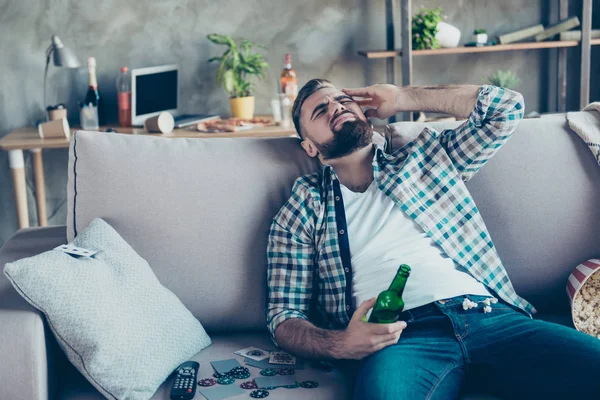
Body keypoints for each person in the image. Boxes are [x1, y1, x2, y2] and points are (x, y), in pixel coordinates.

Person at [265, 79, 600, 399]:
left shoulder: (427, 158)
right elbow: (284, 316)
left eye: (342, 99)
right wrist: (343, 344)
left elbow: (506, 108)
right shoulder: (304, 205)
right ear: (309, 146)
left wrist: (403, 98)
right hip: (400, 338)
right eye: (320, 110)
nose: (337, 107)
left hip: (490, 316)